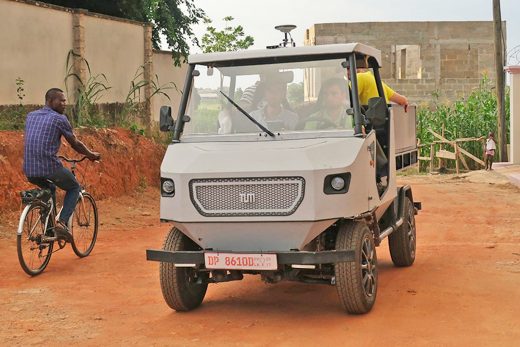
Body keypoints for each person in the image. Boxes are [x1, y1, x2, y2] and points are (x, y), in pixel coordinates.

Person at [23, 88, 100, 242]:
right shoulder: (59, 118)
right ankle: (62, 223)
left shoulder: (31, 116)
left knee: (49, 189)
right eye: (61, 100)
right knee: (74, 187)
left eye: (65, 100)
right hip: (48, 167)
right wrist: (91, 155)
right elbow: (75, 143)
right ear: (50, 101)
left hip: (29, 169)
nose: (65, 103)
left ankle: (48, 230)